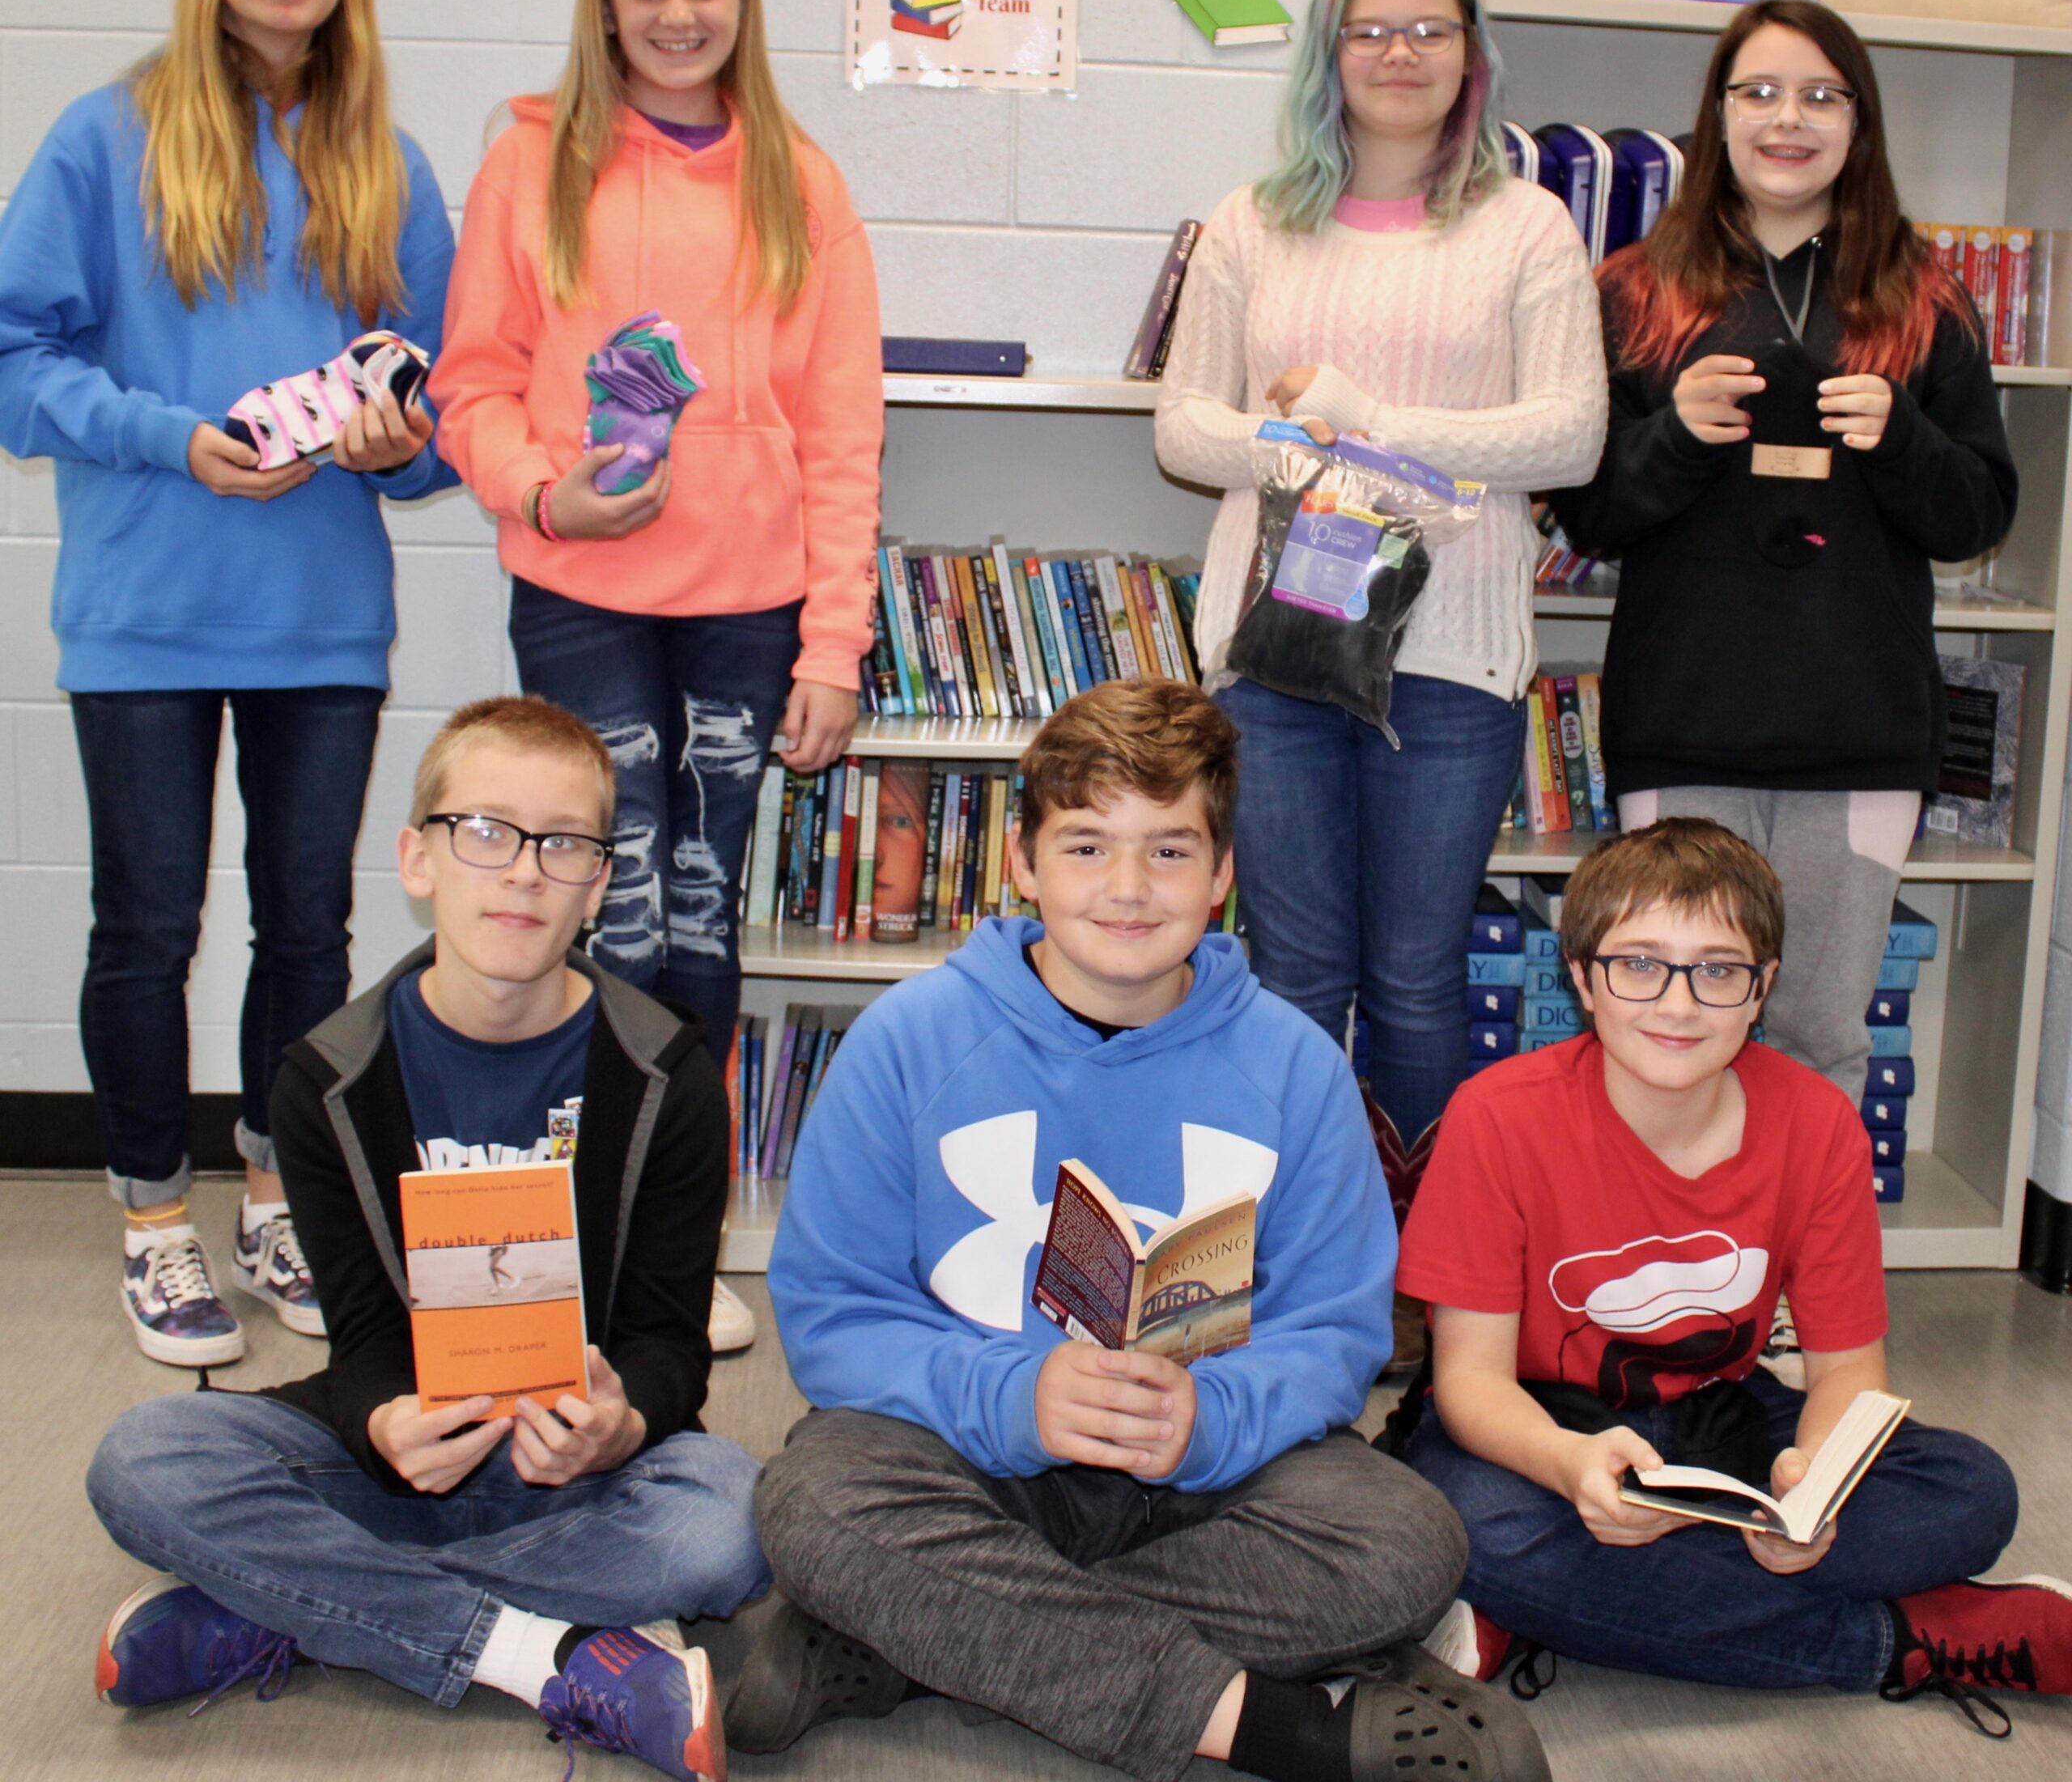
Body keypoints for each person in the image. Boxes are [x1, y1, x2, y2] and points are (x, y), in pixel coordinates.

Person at [739, 681, 1550, 1782]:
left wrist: (1208, 1417)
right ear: (1023, 864)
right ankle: (1283, 1728)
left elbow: (1334, 1331)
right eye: (1086, 846)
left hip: (1207, 1473)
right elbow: (835, 1316)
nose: (1127, 888)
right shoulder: (907, 1040)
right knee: (814, 1500)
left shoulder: (1296, 1064)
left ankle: (912, 1640)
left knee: (1406, 1542)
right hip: (970, 1455)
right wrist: (1014, 1396)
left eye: (1169, 850)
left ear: (1222, 875)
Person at [86, 696, 766, 1782]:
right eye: (485, 831)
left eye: (564, 844)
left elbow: (668, 1344)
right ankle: (538, 1652)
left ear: (599, 882)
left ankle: (288, 1604)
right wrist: (384, 1420)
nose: (525, 872)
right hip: (401, 1449)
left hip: (575, 1470)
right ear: (418, 859)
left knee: (728, 1520)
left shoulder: (667, 1074)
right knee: (143, 1456)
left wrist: (621, 1421)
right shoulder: (326, 1078)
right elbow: (360, 1337)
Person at [0, 0, 454, 1367]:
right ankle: (150, 1218)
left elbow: (430, 411)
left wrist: (396, 445)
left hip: (319, 621)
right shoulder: (103, 137)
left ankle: (275, 1196)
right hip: (143, 609)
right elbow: (16, 360)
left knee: (308, 930)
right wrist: (167, 438)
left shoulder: (389, 164)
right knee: (146, 925)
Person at [1395, 818, 2067, 1735]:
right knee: (1459, 1528)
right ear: (1582, 977)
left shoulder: (1817, 1123)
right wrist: (1569, 1467)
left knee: (1974, 1490)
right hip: (1538, 1431)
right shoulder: (1496, 1116)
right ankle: (1903, 1640)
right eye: (1639, 964)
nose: (1678, 1004)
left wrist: (1812, 1486)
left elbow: (1848, 1372)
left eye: (1717, 970)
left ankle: (1565, 1606)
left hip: (1723, 1420)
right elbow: (1470, 1381)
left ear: (1763, 987)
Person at [1153, 0, 1607, 1156]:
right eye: (1370, 29)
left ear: (1471, 53)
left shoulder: (1528, 228)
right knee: (1293, 972)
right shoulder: (1252, 222)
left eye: (1428, 29)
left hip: (1450, 658)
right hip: (1278, 647)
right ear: (1329, 51)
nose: (1400, 52)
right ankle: (1286, 1239)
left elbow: (1571, 435)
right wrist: (1301, 449)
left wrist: (1369, 422)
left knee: (1415, 978)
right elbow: (1184, 428)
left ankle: (1423, 1251)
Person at [431, 0, 882, 1074]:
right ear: (605, 6)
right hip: (580, 589)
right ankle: (597, 1176)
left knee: (701, 904)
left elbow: (843, 431)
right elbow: (471, 385)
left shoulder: (803, 180)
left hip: (749, 599)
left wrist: (832, 648)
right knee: (611, 899)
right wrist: (544, 495)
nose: (678, 15)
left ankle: (677, 1184)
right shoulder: (530, 163)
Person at [1552, 0, 2017, 1109]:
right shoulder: (1634, 292)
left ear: (1859, 121)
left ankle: (1808, 1239)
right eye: (1758, 92)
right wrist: (1676, 433)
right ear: (1718, 115)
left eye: (1819, 95)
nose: (1787, 119)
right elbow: (1587, 511)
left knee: (1818, 1040)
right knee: (1666, 1038)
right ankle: (1673, 1234)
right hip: (1684, 726)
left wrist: (1900, 437)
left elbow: (1977, 514)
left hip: (1858, 738)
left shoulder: (1923, 299)